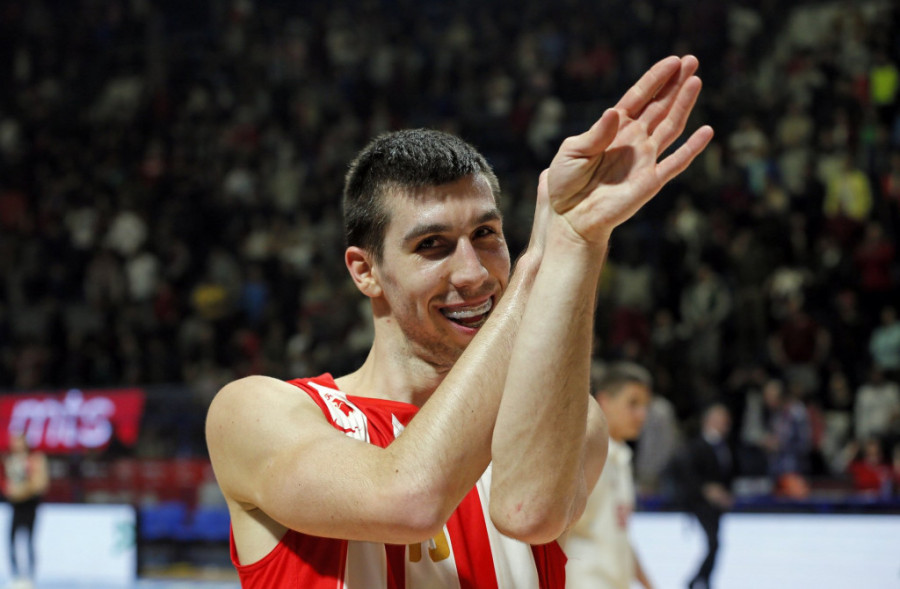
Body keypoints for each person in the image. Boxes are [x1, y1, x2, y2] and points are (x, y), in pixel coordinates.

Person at [206, 55, 713, 588]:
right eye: (433, 244)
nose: (474, 273)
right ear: (365, 271)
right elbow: (408, 500)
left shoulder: (567, 415)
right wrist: (546, 255)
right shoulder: (256, 412)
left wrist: (577, 238)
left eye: (487, 235)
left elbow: (529, 515)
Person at [564, 362, 656, 589]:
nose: (641, 414)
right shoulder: (583, 451)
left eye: (645, 406)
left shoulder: (621, 456)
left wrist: (648, 584)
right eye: (633, 403)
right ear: (604, 401)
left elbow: (618, 535)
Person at [677, 403, 734, 589]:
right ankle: (696, 581)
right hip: (699, 504)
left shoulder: (725, 447)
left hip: (717, 507)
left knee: (715, 544)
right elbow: (687, 474)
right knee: (713, 543)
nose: (725, 425)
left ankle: (703, 580)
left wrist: (725, 493)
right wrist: (706, 490)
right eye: (721, 421)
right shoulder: (695, 446)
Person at [2, 432, 49, 588]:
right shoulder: (10, 459)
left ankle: (30, 576)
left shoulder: (35, 459)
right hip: (15, 506)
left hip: (30, 505)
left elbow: (40, 484)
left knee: (29, 542)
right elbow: (8, 483)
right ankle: (16, 575)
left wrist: (21, 491)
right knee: (11, 541)